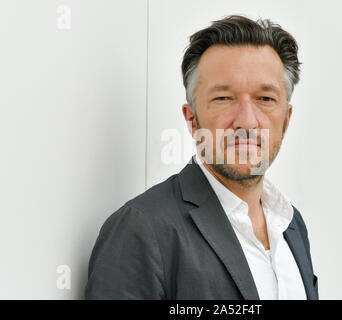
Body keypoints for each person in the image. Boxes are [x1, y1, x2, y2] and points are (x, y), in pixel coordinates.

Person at [85, 14, 318, 300]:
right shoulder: (143, 229)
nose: (246, 121)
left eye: (265, 99)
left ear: (286, 119)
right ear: (192, 119)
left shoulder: (292, 225)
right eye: (223, 98)